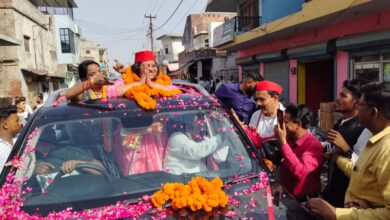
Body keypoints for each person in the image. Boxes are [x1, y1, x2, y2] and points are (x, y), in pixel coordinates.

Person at [307, 81, 390, 220]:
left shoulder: (386, 149)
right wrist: (338, 157)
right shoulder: (376, 140)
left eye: (360, 105)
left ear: (373, 112)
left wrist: (336, 214)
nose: (357, 109)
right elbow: (360, 171)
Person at [324, 79, 367, 207]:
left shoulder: (363, 128)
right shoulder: (341, 123)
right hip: (333, 192)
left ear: (356, 102)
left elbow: (363, 168)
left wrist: (345, 149)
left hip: (349, 199)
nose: (338, 99)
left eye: (343, 96)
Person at [273, 105, 323, 199]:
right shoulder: (290, 139)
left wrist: (283, 142)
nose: (282, 125)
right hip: (287, 196)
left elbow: (301, 172)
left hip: (303, 202)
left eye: (286, 122)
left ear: (298, 124)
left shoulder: (313, 145)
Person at [164, 115, 229, 175]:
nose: (201, 130)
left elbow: (219, 157)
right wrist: (220, 137)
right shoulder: (177, 137)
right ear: (189, 126)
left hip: (196, 179)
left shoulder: (193, 141)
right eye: (199, 127)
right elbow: (195, 152)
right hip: (178, 180)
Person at [33, 126, 105, 176]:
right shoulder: (30, 160)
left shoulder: (67, 151)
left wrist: (76, 163)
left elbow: (101, 169)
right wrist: (33, 171)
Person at [246, 80, 285, 147]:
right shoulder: (256, 115)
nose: (258, 103)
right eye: (256, 100)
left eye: (262, 99)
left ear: (275, 98)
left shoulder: (286, 116)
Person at [0, 99, 22, 173]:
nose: (20, 122)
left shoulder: (21, 137)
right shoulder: (1, 149)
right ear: (6, 125)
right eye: (17, 120)